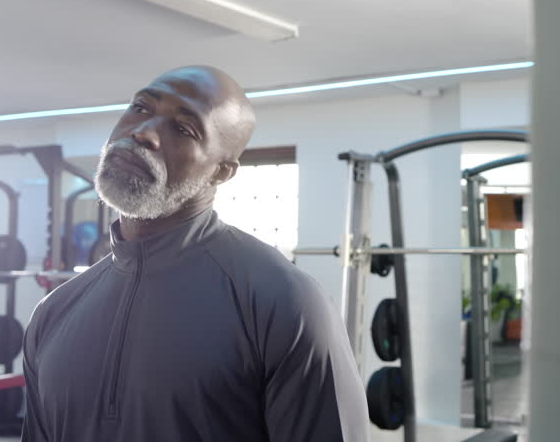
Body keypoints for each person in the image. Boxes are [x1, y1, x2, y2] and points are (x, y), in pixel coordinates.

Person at [21, 66, 370, 442]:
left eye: (184, 129)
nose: (143, 132)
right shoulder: (54, 313)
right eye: (141, 107)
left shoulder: (283, 301)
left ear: (221, 172)